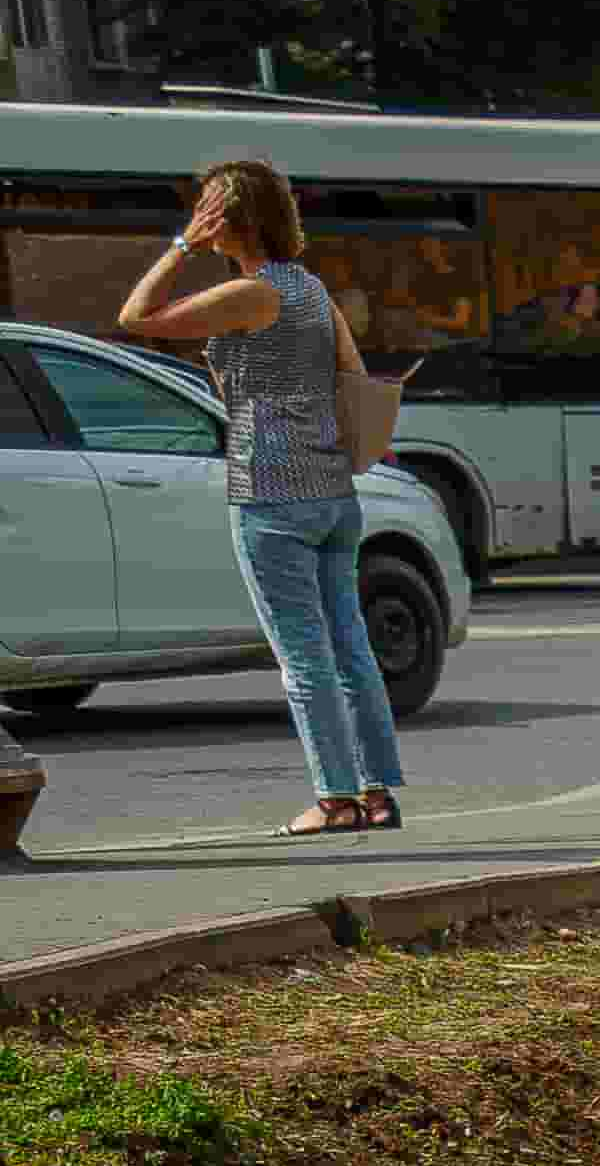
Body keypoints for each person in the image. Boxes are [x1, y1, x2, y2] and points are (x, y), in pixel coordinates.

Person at [117, 160, 405, 839]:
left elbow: (134, 316)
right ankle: (377, 793)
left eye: (207, 211)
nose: (201, 220)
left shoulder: (252, 294)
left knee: (302, 657)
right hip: (334, 493)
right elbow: (354, 380)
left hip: (271, 496)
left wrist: (181, 246)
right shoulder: (310, 291)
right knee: (349, 650)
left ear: (232, 219)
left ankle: (333, 800)